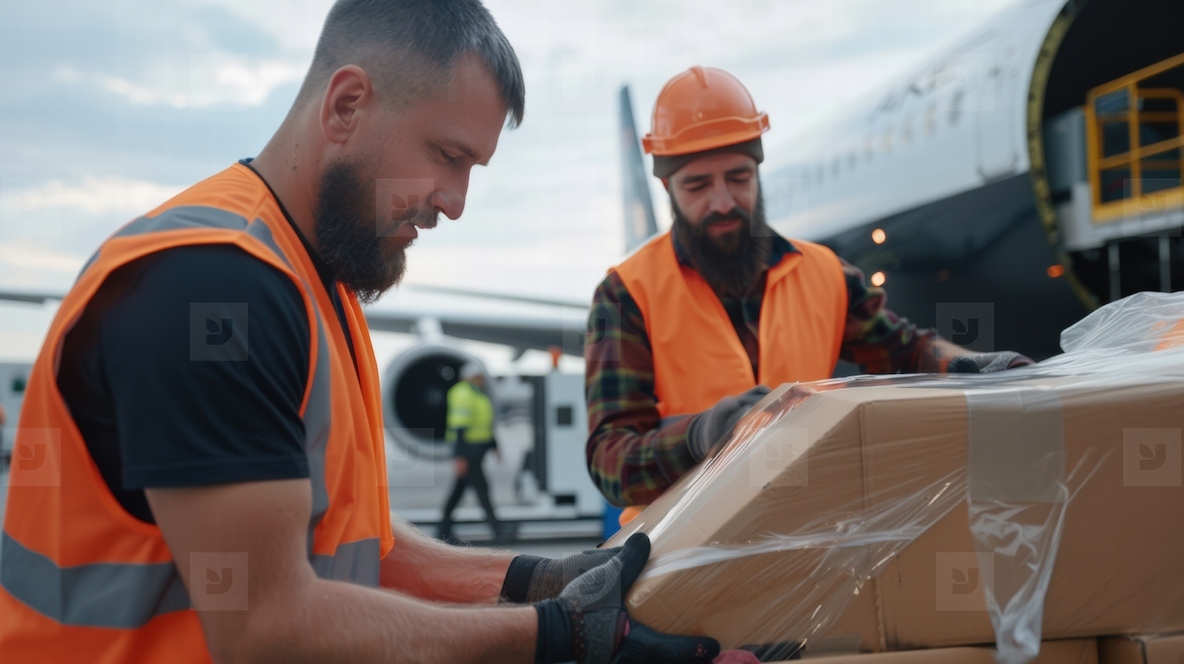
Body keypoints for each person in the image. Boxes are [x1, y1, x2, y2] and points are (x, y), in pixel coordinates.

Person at [0, 3, 725, 662]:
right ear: (346, 105)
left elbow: (350, 541)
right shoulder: (213, 290)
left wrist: (534, 578)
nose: (456, 203)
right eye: (447, 156)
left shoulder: (313, 283)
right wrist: (551, 632)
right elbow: (267, 624)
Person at [585, 66, 1032, 522]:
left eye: (738, 177)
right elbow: (610, 463)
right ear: (667, 187)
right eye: (698, 185)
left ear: (758, 170)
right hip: (677, 559)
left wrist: (973, 365)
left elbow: (908, 350)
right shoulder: (626, 295)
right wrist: (702, 435)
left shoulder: (825, 275)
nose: (722, 201)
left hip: (804, 540)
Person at [438, 362, 503, 542]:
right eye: (479, 377)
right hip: (468, 452)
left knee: (459, 491)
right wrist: (459, 457)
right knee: (482, 489)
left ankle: (443, 530)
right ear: (470, 377)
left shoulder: (477, 394)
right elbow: (460, 427)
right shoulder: (462, 394)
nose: (482, 380)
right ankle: (497, 529)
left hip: (476, 451)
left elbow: (483, 424)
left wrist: (494, 445)